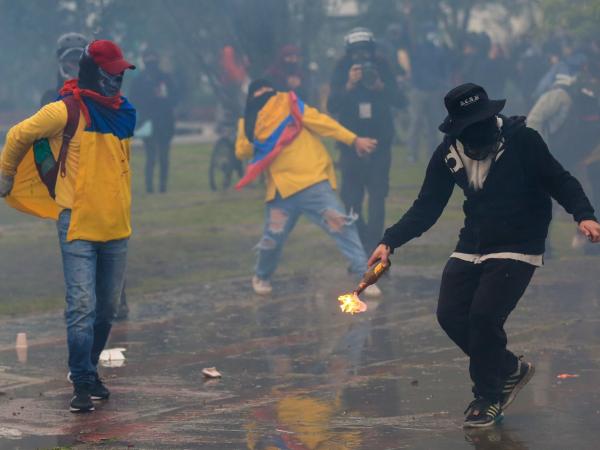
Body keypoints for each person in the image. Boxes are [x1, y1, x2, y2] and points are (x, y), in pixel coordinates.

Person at [368, 83, 600, 427]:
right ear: (458, 130)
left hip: (520, 241)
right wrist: (389, 241)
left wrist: (584, 214)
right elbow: (427, 207)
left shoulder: (523, 140)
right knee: (450, 314)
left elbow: (559, 180)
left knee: (483, 317)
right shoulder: (448, 153)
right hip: (474, 241)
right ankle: (508, 368)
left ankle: (487, 397)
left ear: (493, 118)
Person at [0, 40, 136, 413]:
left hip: (117, 227)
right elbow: (17, 135)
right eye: (111, 73)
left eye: (121, 73)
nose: (117, 79)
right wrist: (7, 173)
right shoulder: (66, 110)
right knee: (81, 306)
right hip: (76, 225)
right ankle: (80, 380)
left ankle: (89, 370)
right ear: (94, 72)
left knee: (107, 310)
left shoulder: (126, 114)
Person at [235, 79, 381, 297]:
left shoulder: (291, 104)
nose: (266, 96)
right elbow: (242, 152)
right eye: (259, 93)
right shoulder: (247, 121)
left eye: (269, 91)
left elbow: (323, 123)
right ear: (251, 99)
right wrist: (251, 127)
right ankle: (262, 276)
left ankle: (365, 276)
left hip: (314, 183)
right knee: (272, 239)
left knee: (343, 226)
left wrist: (353, 140)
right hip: (281, 192)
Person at [328, 27, 405, 254]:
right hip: (351, 143)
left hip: (380, 142)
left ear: (372, 50)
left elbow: (401, 100)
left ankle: (374, 248)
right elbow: (332, 105)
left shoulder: (383, 66)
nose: (361, 57)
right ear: (348, 52)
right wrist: (349, 85)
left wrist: (382, 87)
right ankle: (361, 243)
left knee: (378, 197)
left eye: (365, 51)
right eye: (356, 52)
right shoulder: (342, 68)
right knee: (351, 199)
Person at [528, 58, 600, 254]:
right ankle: (586, 243)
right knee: (582, 198)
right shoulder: (578, 96)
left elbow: (533, 120)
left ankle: (544, 245)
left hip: (560, 156)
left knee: (548, 200)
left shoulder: (556, 95)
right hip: (572, 155)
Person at [130, 49, 179, 193]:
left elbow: (175, 98)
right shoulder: (139, 80)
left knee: (163, 156)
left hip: (164, 121)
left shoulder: (165, 78)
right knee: (151, 156)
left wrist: (164, 98)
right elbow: (134, 101)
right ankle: (150, 187)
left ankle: (162, 187)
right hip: (148, 121)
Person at [40, 32, 88, 107]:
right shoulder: (50, 98)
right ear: (62, 64)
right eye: (72, 62)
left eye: (79, 62)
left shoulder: (96, 97)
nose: (76, 68)